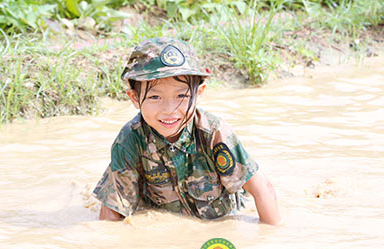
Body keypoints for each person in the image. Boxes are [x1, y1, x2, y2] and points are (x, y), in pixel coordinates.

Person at [93, 37, 281, 225]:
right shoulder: (129, 140)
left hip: (222, 217)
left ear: (198, 93)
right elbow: (111, 215)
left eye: (181, 96)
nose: (169, 110)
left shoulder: (213, 133)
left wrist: (269, 239)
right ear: (134, 98)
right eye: (155, 97)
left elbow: (262, 189)